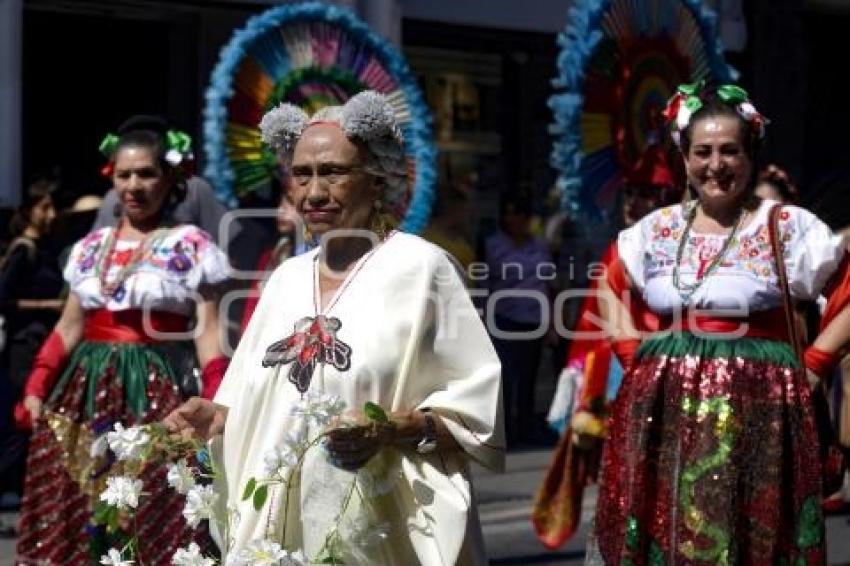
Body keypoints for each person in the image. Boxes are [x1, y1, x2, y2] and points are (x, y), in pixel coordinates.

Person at [164, 91, 504, 565]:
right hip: (279, 536)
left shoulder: (423, 270)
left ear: (378, 182)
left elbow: (476, 420)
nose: (315, 192)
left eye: (334, 173)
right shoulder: (284, 280)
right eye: (302, 175)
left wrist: (393, 429)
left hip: (378, 533)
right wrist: (216, 419)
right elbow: (255, 405)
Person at [586, 82, 850, 563]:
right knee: (671, 527)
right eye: (702, 152)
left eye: (730, 150)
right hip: (665, 404)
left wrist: (816, 363)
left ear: (750, 154)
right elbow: (608, 281)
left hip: (763, 406)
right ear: (684, 159)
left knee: (756, 530)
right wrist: (634, 357)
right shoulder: (658, 229)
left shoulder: (786, 225)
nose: (716, 165)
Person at [15, 117, 230, 564]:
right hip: (86, 391)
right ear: (111, 177)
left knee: (154, 501)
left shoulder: (190, 245)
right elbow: (70, 325)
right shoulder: (90, 247)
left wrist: (215, 395)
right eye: (125, 174)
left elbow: (208, 330)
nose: (134, 185)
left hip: (157, 387)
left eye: (146, 173)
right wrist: (37, 384)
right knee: (81, 502)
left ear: (169, 177)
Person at [533, 142, 679, 548]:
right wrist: (581, 376)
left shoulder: (676, 246)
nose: (634, 202)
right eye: (630, 192)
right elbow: (593, 318)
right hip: (614, 377)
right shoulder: (618, 246)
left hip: (667, 373)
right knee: (618, 483)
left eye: (645, 193)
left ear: (664, 198)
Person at [0, 178, 64, 526]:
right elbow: (4, 298)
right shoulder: (24, 250)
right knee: (24, 422)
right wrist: (48, 304)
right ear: (28, 212)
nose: (50, 215)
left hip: (40, 345)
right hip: (24, 349)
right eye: (43, 208)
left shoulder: (45, 248)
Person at [484, 194, 553, 446]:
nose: (511, 219)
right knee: (506, 378)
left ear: (526, 218)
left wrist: (552, 324)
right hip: (503, 319)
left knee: (528, 379)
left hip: (533, 320)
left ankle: (525, 429)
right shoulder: (493, 245)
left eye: (517, 214)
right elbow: (484, 283)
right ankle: (505, 432)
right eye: (508, 214)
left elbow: (546, 284)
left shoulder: (540, 246)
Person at [240, 187, 307, 332]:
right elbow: (252, 308)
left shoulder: (318, 262)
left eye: (290, 203)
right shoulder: (271, 256)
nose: (280, 211)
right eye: (280, 203)